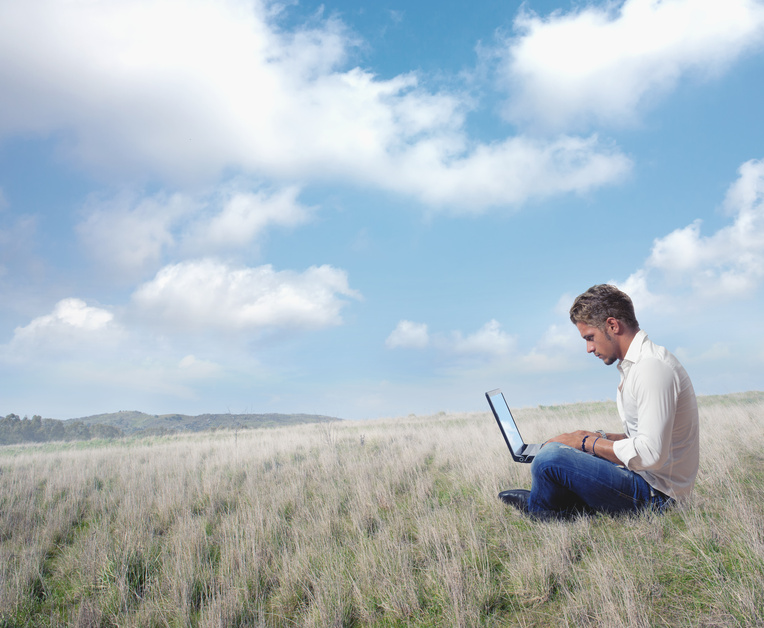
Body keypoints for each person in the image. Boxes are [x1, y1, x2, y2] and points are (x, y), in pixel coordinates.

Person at [499, 284, 699, 519]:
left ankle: (542, 511)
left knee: (549, 459)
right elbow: (646, 436)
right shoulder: (639, 365)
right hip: (647, 481)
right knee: (559, 453)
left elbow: (651, 453)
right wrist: (600, 438)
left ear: (612, 325)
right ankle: (551, 502)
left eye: (590, 337)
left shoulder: (651, 368)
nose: (589, 348)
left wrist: (585, 443)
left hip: (658, 497)